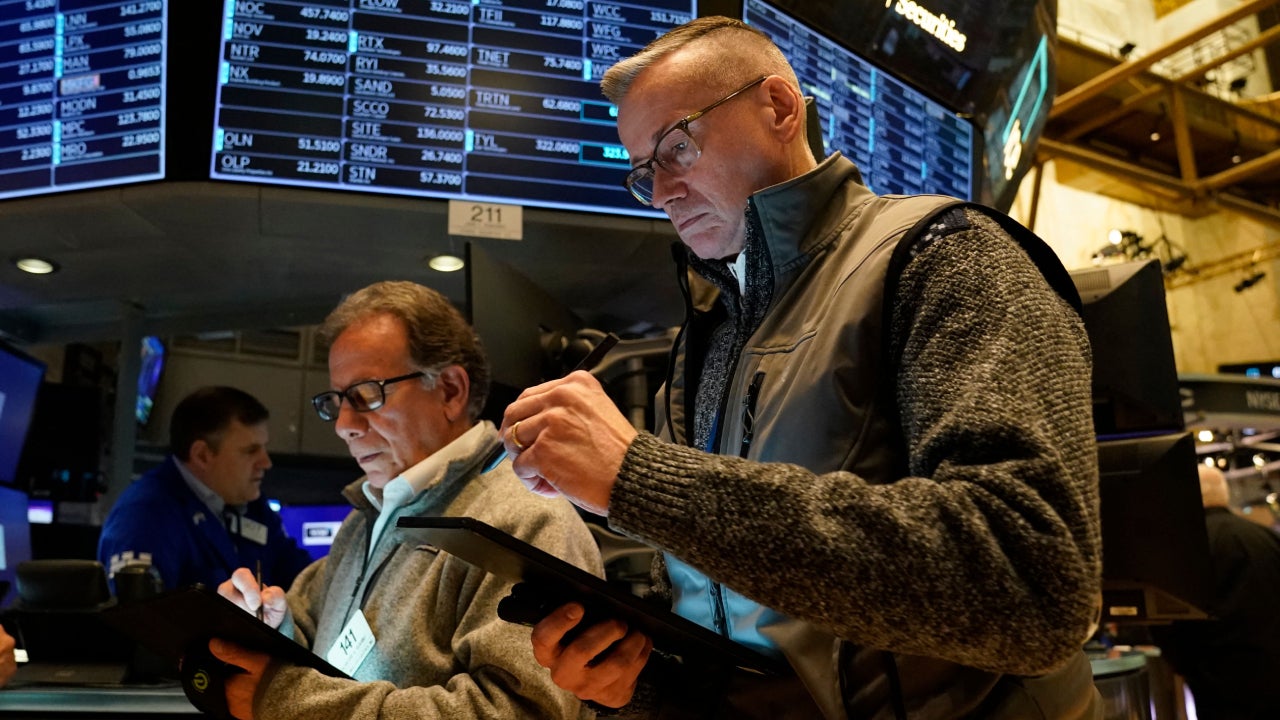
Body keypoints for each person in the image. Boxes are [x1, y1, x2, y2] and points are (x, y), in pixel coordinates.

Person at [498, 16, 1103, 719]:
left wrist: (640, 479)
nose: (661, 192)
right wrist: (640, 682)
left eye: (676, 148)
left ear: (780, 108)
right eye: (644, 171)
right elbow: (761, 641)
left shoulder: (951, 255)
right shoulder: (707, 334)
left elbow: (1034, 586)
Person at [209, 281, 602, 719]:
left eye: (365, 395)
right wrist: (271, 630)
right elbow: (316, 638)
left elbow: (519, 712)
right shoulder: (367, 515)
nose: (344, 424)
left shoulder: (526, 520)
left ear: (451, 390)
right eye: (337, 400)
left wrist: (290, 701)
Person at [98, 386, 312, 592]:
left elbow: (301, 581)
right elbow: (138, 621)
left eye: (264, 448)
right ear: (202, 455)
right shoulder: (145, 515)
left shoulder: (251, 505)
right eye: (250, 451)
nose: (266, 462)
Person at [1150, 465, 1280, 719]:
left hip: (1220, 684)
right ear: (1225, 493)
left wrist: (1184, 666)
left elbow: (1167, 619)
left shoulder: (1184, 548)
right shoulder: (1266, 536)